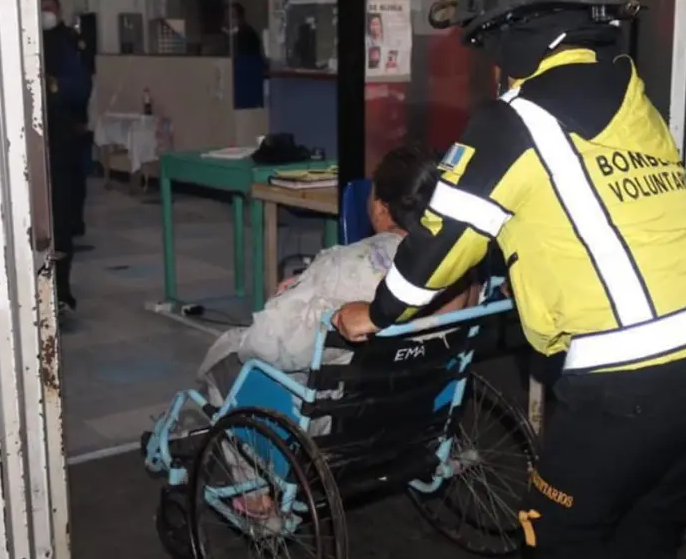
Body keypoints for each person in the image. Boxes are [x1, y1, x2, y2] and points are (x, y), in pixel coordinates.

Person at [333, 0, 686, 559]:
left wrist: (377, 312)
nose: (492, 62)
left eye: (490, 41)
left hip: (636, 373)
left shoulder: (511, 121)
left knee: (555, 535)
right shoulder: (630, 89)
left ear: (514, 36)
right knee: (645, 527)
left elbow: (436, 250)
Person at [197, 144, 479, 403]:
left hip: (334, 413)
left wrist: (293, 299)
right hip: (417, 404)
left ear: (381, 206)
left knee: (231, 355)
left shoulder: (346, 263)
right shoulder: (463, 270)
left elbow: (269, 345)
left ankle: (234, 454)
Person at [41, 0, 92, 313]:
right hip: (33, 147)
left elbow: (79, 87)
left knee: (61, 223)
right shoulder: (24, 39)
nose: (46, 13)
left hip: (63, 143)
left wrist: (53, 86)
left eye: (50, 8)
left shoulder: (68, 43)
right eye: (41, 8)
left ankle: (61, 292)